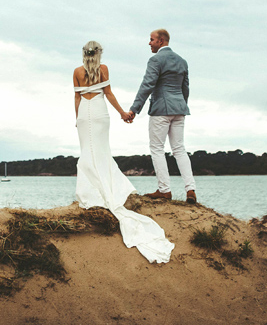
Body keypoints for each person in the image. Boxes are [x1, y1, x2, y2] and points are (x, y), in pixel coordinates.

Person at [74, 40, 174, 263]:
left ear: (84, 54)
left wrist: (77, 118)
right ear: (99, 54)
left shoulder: (77, 72)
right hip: (99, 112)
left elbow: (77, 97)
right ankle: (104, 189)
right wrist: (121, 113)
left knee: (87, 152)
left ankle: (92, 191)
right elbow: (107, 93)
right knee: (100, 150)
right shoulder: (104, 69)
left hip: (84, 113)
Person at [124, 29, 197, 204]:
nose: (149, 43)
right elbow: (185, 88)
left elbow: (147, 84)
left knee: (157, 148)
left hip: (161, 109)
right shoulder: (182, 61)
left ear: (161, 41)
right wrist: (181, 105)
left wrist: (135, 108)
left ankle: (164, 190)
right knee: (179, 149)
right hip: (180, 109)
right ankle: (191, 189)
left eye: (151, 40)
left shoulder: (156, 59)